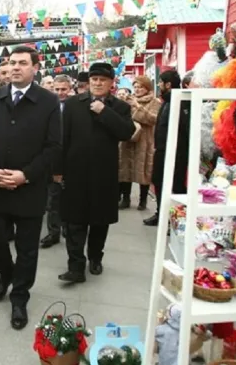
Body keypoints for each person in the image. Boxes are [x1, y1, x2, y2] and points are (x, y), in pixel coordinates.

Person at [0, 45, 60, 330]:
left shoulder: (47, 101)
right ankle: (6, 275)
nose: (15, 68)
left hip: (29, 188)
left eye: (22, 63)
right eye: (11, 63)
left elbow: (53, 146)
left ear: (35, 67)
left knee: (27, 249)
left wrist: (26, 175)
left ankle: (19, 297)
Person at [58, 63, 135, 283]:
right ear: (88, 82)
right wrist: (58, 170)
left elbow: (126, 132)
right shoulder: (73, 104)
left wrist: (105, 112)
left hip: (104, 174)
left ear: (112, 83)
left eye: (102, 79)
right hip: (75, 173)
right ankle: (75, 267)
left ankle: (95, 258)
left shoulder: (120, 107)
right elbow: (62, 138)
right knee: (74, 221)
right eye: (94, 79)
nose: (98, 83)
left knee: (99, 221)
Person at [146, 70, 190, 227]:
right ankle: (161, 214)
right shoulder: (167, 102)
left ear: (168, 84)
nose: (158, 85)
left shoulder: (180, 102)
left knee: (175, 187)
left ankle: (175, 219)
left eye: (160, 82)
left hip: (176, 153)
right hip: (162, 151)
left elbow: (184, 130)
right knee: (159, 183)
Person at [40, 75, 72, 248]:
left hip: (71, 159)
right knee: (52, 200)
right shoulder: (47, 106)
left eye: (63, 89)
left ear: (70, 88)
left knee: (69, 199)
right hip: (52, 160)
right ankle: (53, 233)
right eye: (57, 89)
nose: (60, 93)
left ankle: (69, 228)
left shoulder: (76, 106)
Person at [118, 75, 159, 211]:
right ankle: (125, 198)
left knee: (144, 170)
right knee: (125, 168)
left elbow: (153, 119)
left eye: (140, 87)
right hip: (128, 139)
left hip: (145, 140)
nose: (137, 89)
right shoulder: (127, 101)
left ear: (147, 88)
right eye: (135, 87)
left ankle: (143, 200)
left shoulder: (155, 102)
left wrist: (138, 107)